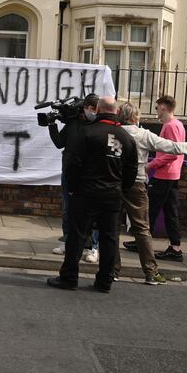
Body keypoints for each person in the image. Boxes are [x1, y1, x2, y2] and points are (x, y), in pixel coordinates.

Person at [47, 96, 137, 293]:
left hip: (85, 193)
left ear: (99, 110)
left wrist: (72, 187)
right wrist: (122, 189)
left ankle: (69, 277)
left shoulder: (87, 133)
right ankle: (105, 281)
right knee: (109, 238)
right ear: (116, 112)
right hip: (112, 195)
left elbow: (73, 163)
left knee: (77, 236)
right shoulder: (127, 138)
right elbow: (131, 171)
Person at [115, 102, 187, 284]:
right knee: (142, 229)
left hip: (113, 184)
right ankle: (151, 272)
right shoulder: (143, 135)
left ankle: (112, 270)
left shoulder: (113, 133)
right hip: (136, 184)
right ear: (136, 117)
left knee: (112, 228)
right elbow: (174, 148)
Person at [127, 96, 187, 262]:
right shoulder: (177, 125)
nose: (156, 112)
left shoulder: (171, 126)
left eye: (156, 108)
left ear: (163, 107)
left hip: (164, 174)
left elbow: (173, 153)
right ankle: (175, 248)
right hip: (171, 174)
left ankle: (142, 242)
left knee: (149, 209)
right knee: (170, 212)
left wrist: (150, 165)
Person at [48, 94, 100, 262]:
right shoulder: (72, 123)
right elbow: (59, 142)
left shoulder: (97, 126)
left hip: (88, 175)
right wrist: (51, 124)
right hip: (69, 172)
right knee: (67, 210)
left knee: (92, 212)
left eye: (95, 109)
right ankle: (67, 241)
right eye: (90, 108)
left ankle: (94, 247)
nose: (92, 112)